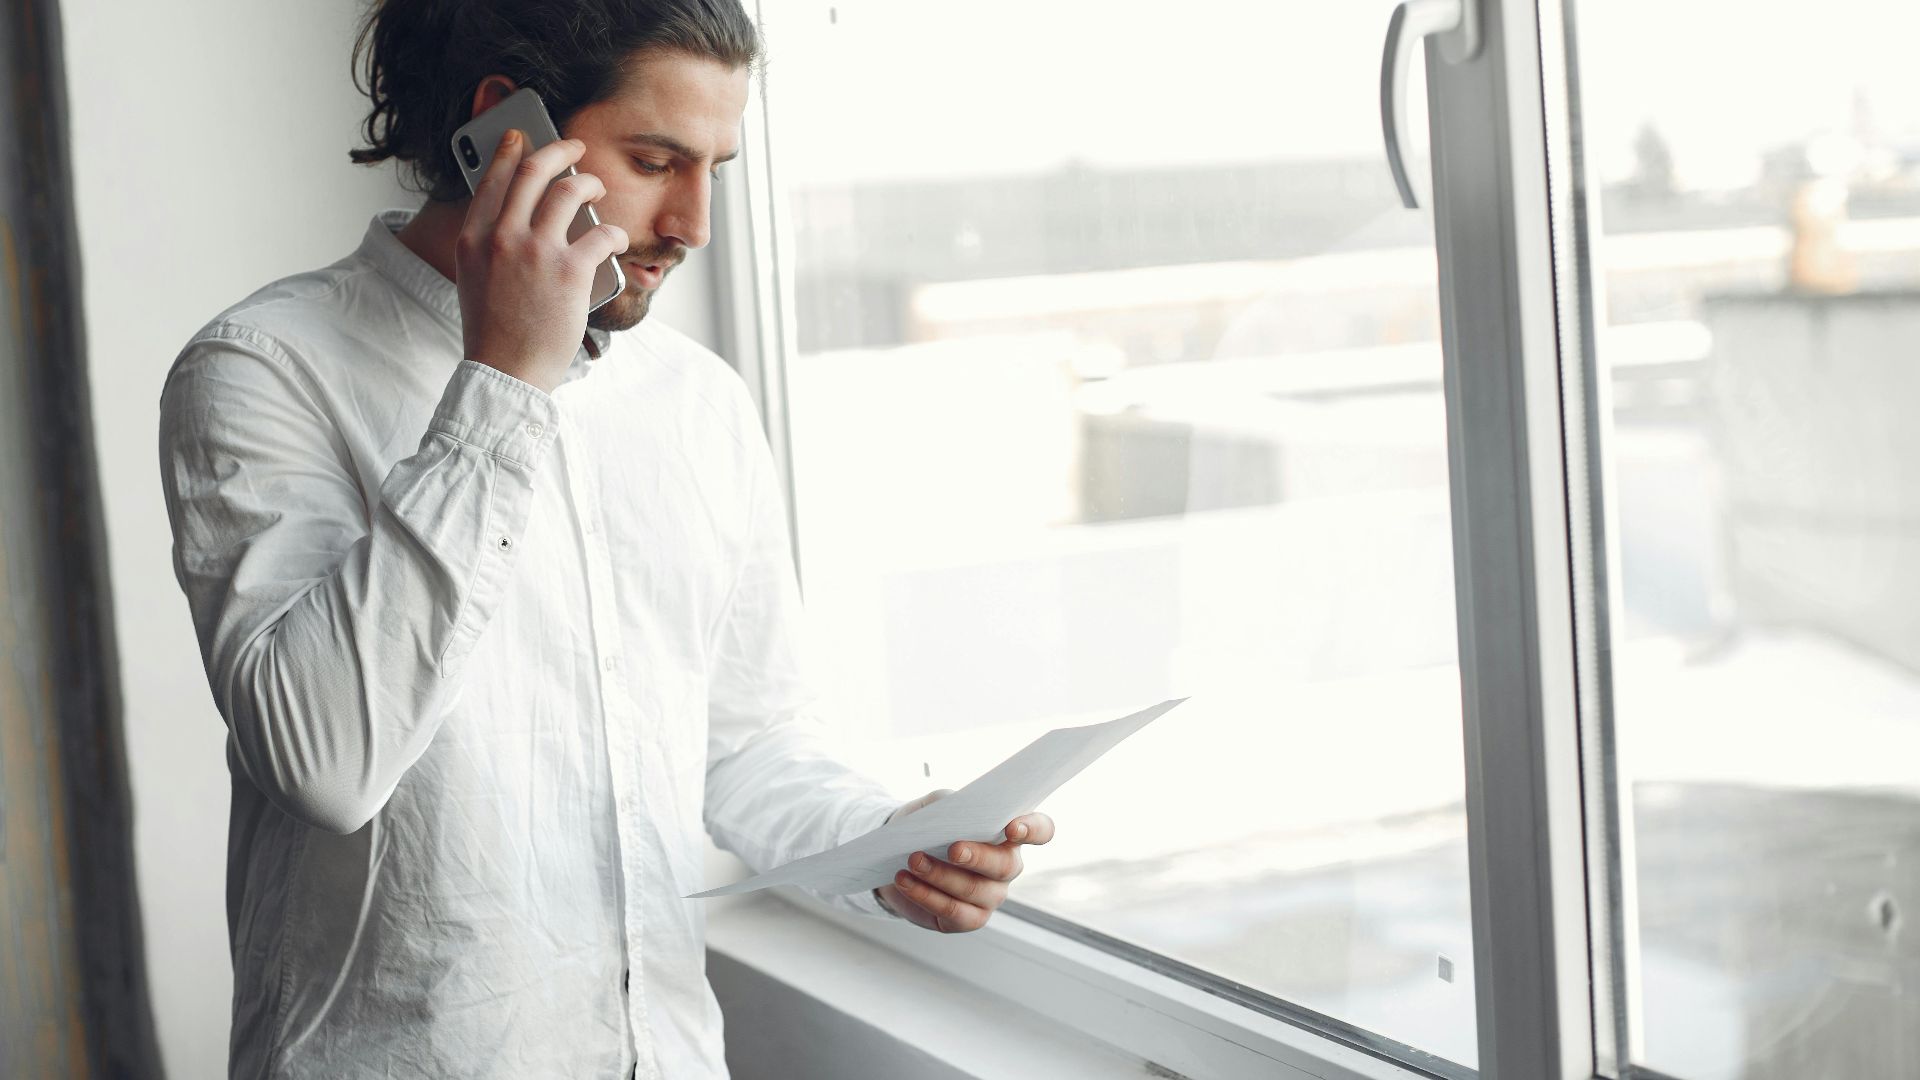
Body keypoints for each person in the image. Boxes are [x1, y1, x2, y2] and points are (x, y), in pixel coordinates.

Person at [155, 2, 1054, 1076]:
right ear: (510, 133)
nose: (695, 222)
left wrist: (893, 843)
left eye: (717, 164)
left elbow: (750, 745)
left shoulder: (697, 404)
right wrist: (501, 382)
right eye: (655, 159)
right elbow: (325, 764)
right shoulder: (264, 369)